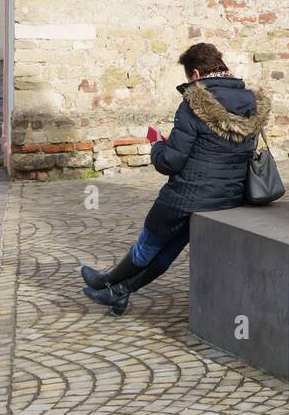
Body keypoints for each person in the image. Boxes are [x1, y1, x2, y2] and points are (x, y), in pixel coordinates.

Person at [82, 43, 271, 315]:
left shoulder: (194, 104)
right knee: (169, 251)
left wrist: (157, 146)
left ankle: (107, 280)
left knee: (149, 246)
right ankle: (119, 292)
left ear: (195, 73)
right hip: (227, 197)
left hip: (187, 195)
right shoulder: (252, 103)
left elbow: (170, 162)